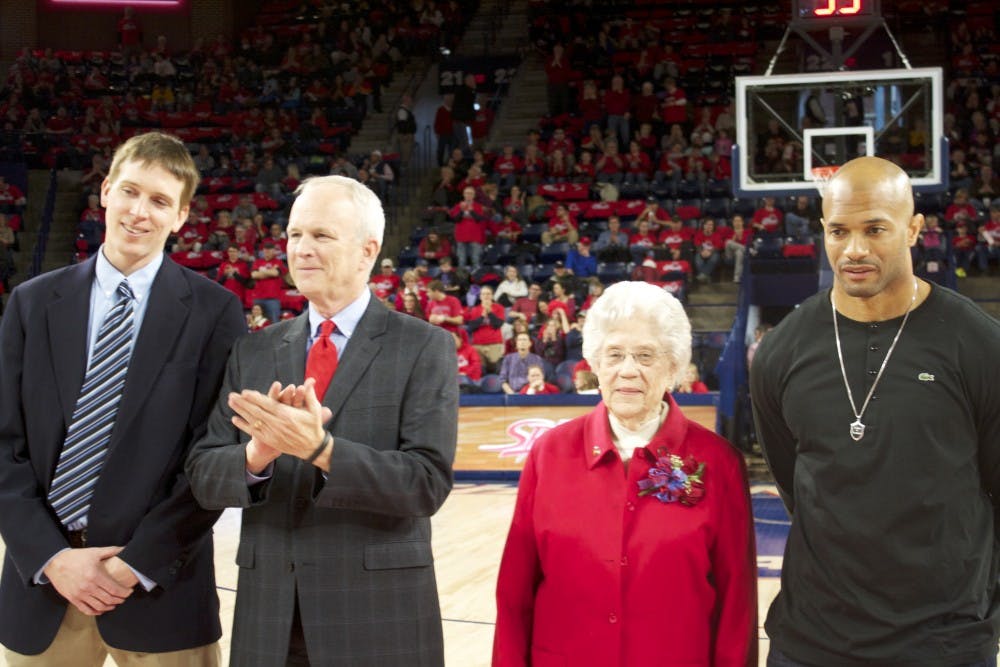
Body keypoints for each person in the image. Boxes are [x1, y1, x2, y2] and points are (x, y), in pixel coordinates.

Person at [185, 175, 459, 665]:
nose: (301, 249)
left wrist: (322, 449)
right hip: (268, 617)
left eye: (321, 236)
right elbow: (204, 476)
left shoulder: (424, 347)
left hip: (378, 618)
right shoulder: (253, 349)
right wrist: (257, 455)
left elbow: (425, 484)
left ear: (366, 250)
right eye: (294, 235)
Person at [0, 132, 246, 664]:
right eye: (130, 192)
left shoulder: (215, 313)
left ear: (181, 216)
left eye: (159, 201)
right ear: (106, 191)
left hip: (161, 587)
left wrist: (133, 563)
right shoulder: (31, 304)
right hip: (42, 585)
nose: (139, 212)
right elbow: (4, 445)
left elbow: (211, 456)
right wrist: (52, 556)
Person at [750, 156, 1000, 666]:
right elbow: (793, 483)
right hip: (811, 643)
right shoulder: (781, 352)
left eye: (875, 229)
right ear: (823, 229)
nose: (854, 249)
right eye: (839, 231)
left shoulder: (976, 343)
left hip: (945, 644)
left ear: (913, 230)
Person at [494, 281, 757, 665]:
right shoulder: (548, 454)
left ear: (673, 367)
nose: (628, 371)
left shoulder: (719, 463)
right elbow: (514, 595)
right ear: (595, 365)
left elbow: (737, 606)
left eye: (645, 356)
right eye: (614, 355)